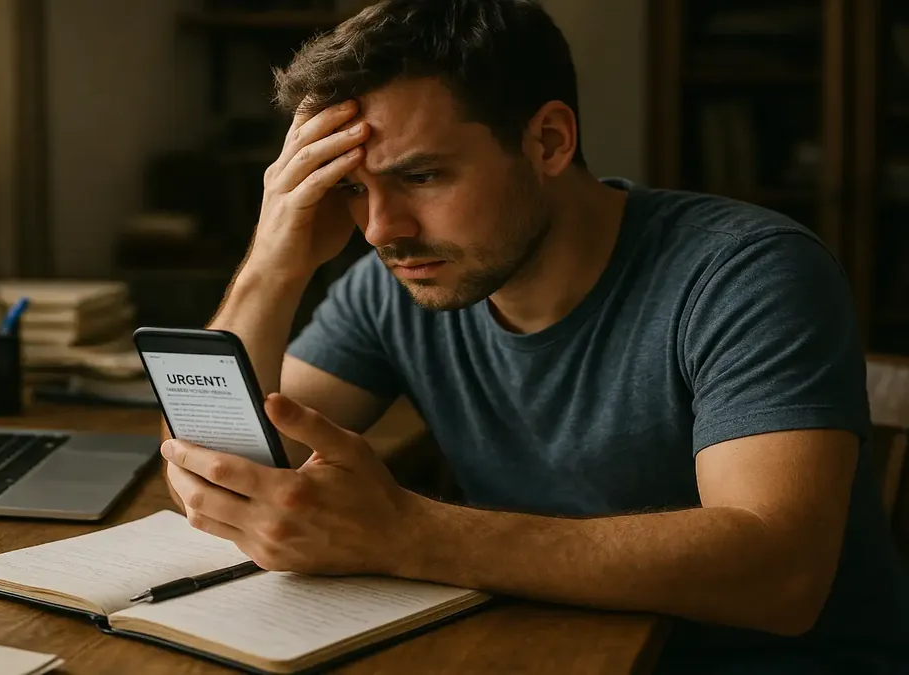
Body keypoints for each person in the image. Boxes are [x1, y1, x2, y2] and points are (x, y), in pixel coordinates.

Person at [157, 0, 909, 672]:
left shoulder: (748, 273)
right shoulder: (394, 285)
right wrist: (272, 260)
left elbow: (778, 576)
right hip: (545, 644)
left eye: (421, 177)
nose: (383, 230)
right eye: (353, 187)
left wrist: (406, 533)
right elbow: (219, 460)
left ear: (549, 140)